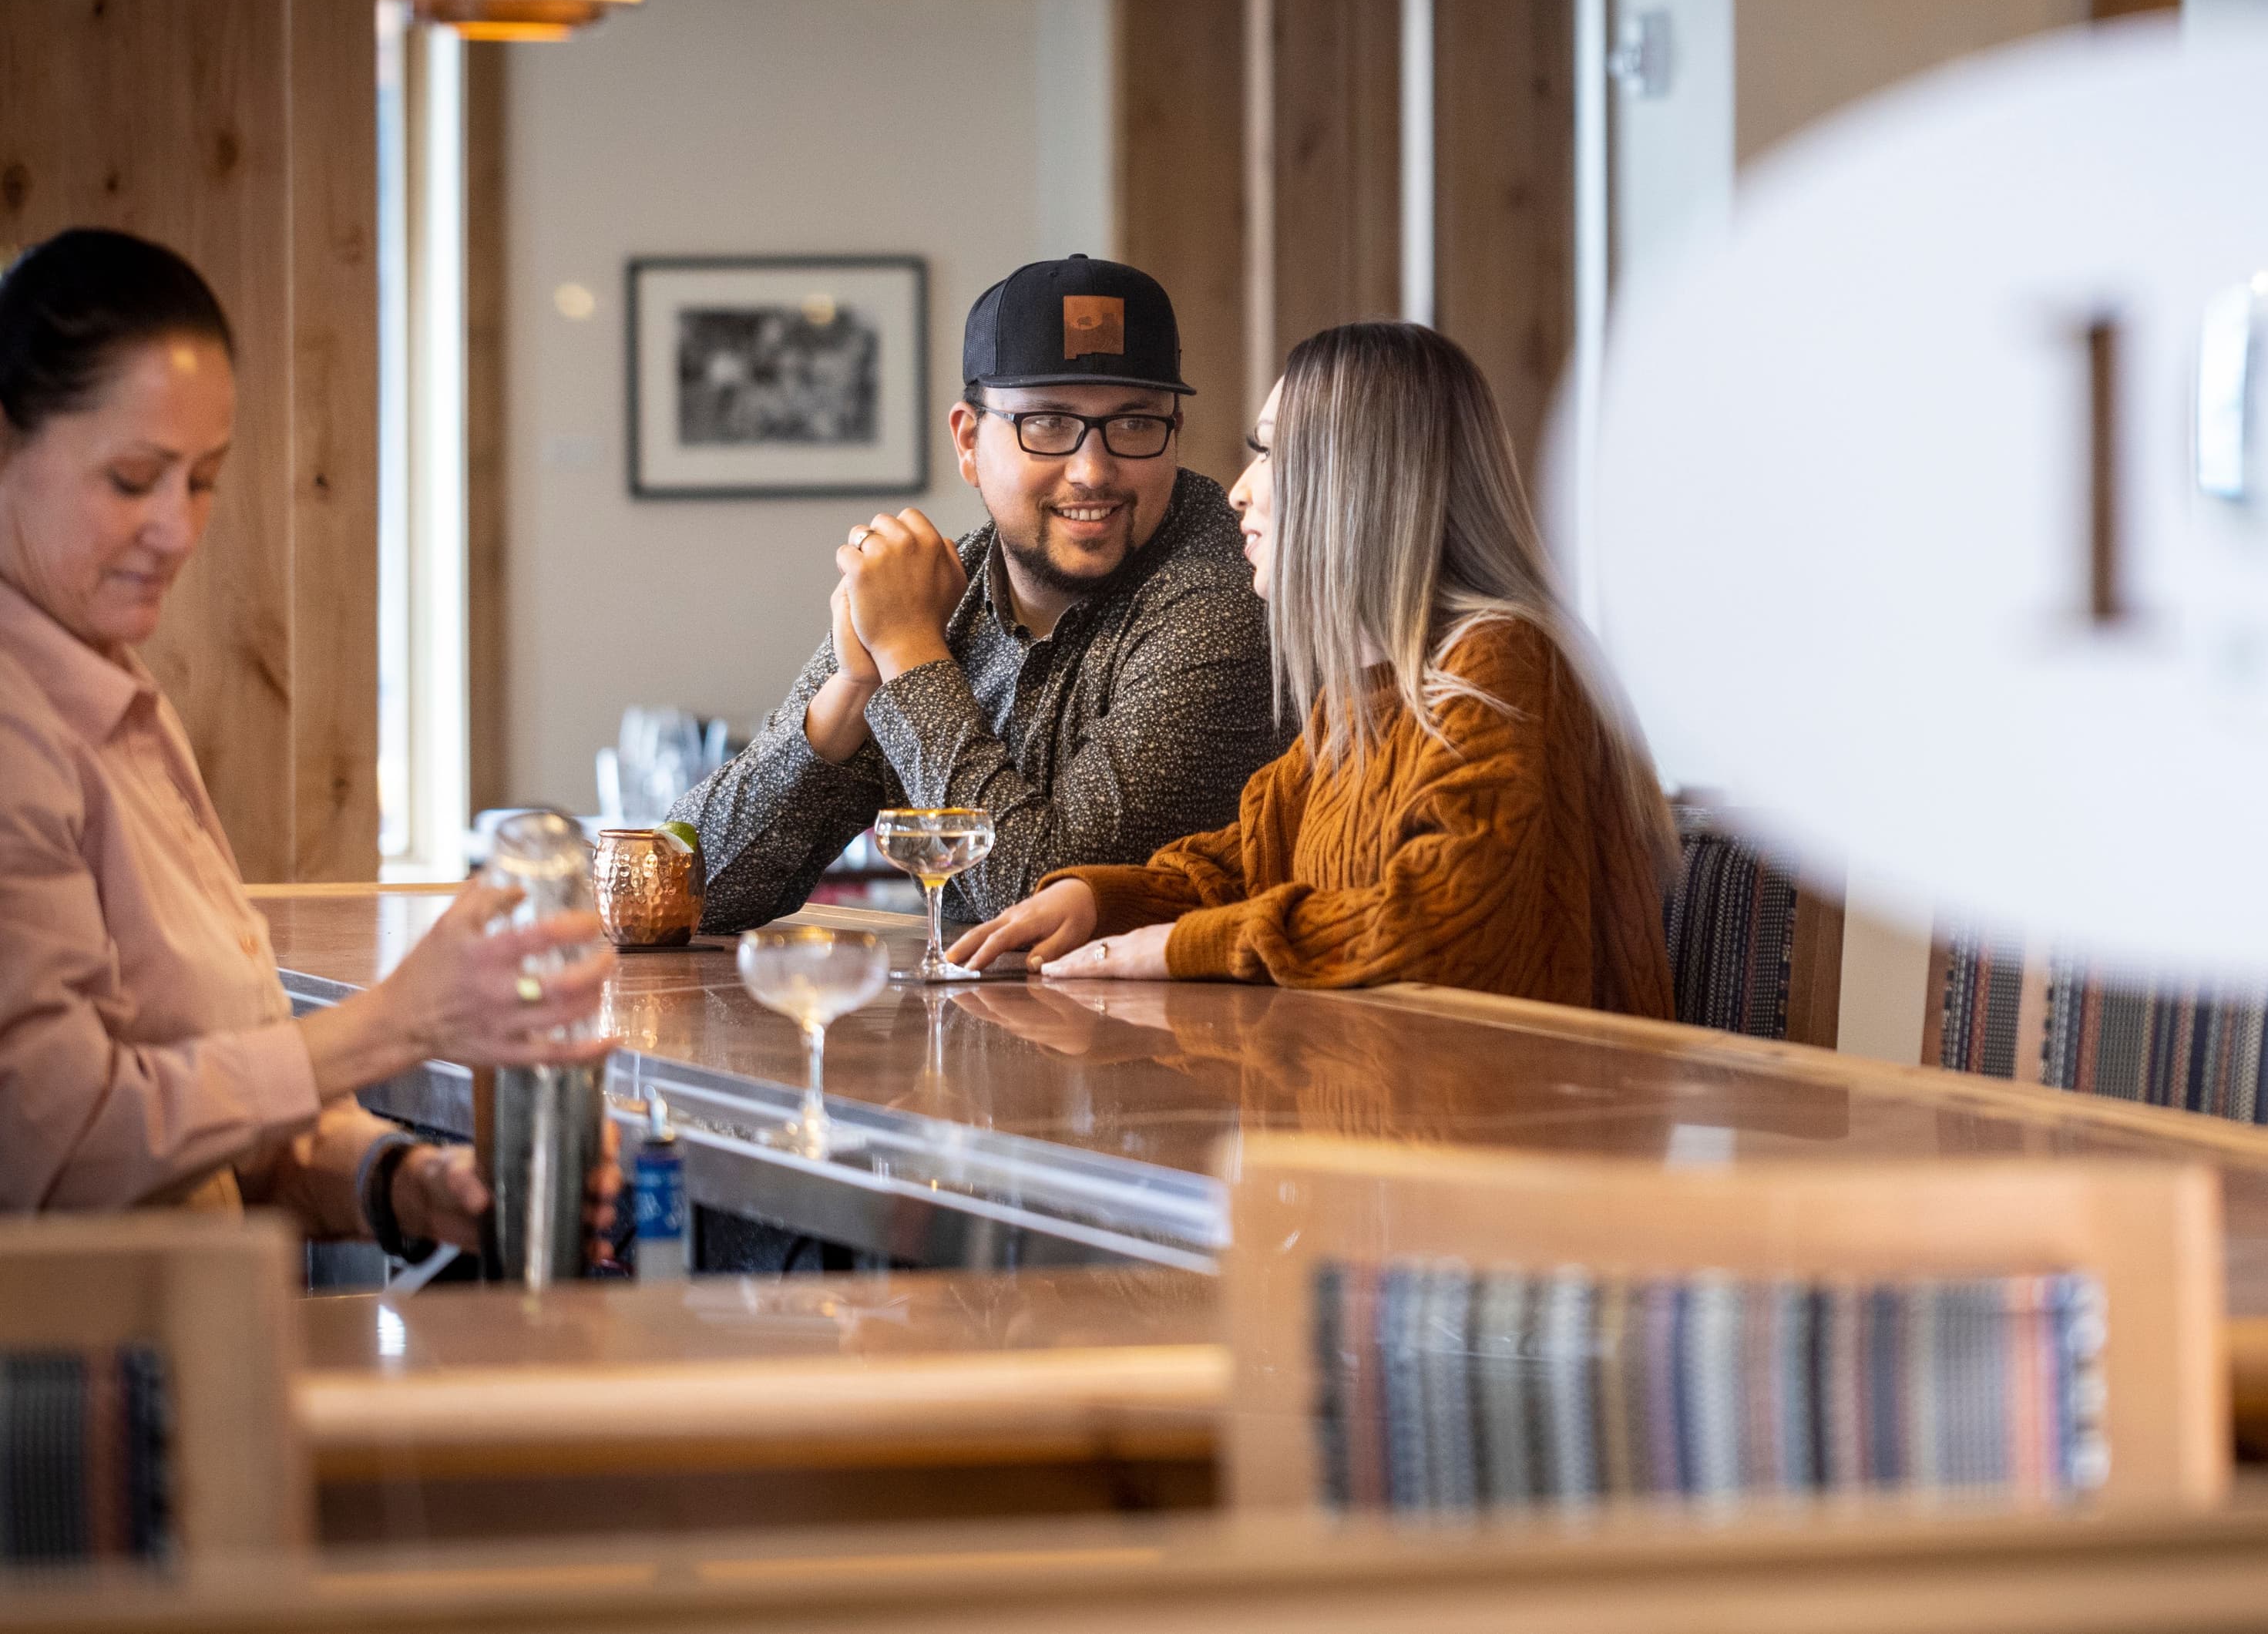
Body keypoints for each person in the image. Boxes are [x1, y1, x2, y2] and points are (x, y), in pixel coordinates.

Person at [0, 229, 612, 1246]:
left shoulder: (110, 695)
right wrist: (397, 1021)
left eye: (201, 479)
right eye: (132, 477)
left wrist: (405, 1183)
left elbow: (214, 1117)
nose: (177, 528)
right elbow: (56, 1149)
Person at [949, 322, 1677, 1020]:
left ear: (1359, 482)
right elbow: (1246, 863)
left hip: (1520, 1129)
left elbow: (1439, 923)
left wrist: (1177, 946)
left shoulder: (1498, 662)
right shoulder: (1364, 691)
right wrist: (1098, 900)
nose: (1240, 489)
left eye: (1272, 455)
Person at [674, 256, 1282, 934]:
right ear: (969, 441)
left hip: (1189, 1036)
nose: (1093, 470)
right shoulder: (938, 589)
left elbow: (1041, 902)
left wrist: (907, 656)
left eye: (1136, 424)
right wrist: (850, 690)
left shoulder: (1230, 591)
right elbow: (686, 888)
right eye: (1047, 423)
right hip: (986, 1032)